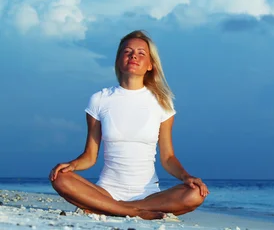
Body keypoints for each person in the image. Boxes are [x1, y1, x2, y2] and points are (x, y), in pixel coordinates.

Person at [49, 30, 209, 220]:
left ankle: (115, 209)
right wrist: (72, 165)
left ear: (150, 65)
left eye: (141, 53)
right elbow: (90, 156)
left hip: (150, 196)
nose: (134, 55)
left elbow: (168, 158)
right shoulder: (100, 99)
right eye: (127, 51)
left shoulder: (162, 103)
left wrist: (186, 177)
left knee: (195, 193)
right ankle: (133, 212)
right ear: (118, 60)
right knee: (60, 177)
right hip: (105, 193)